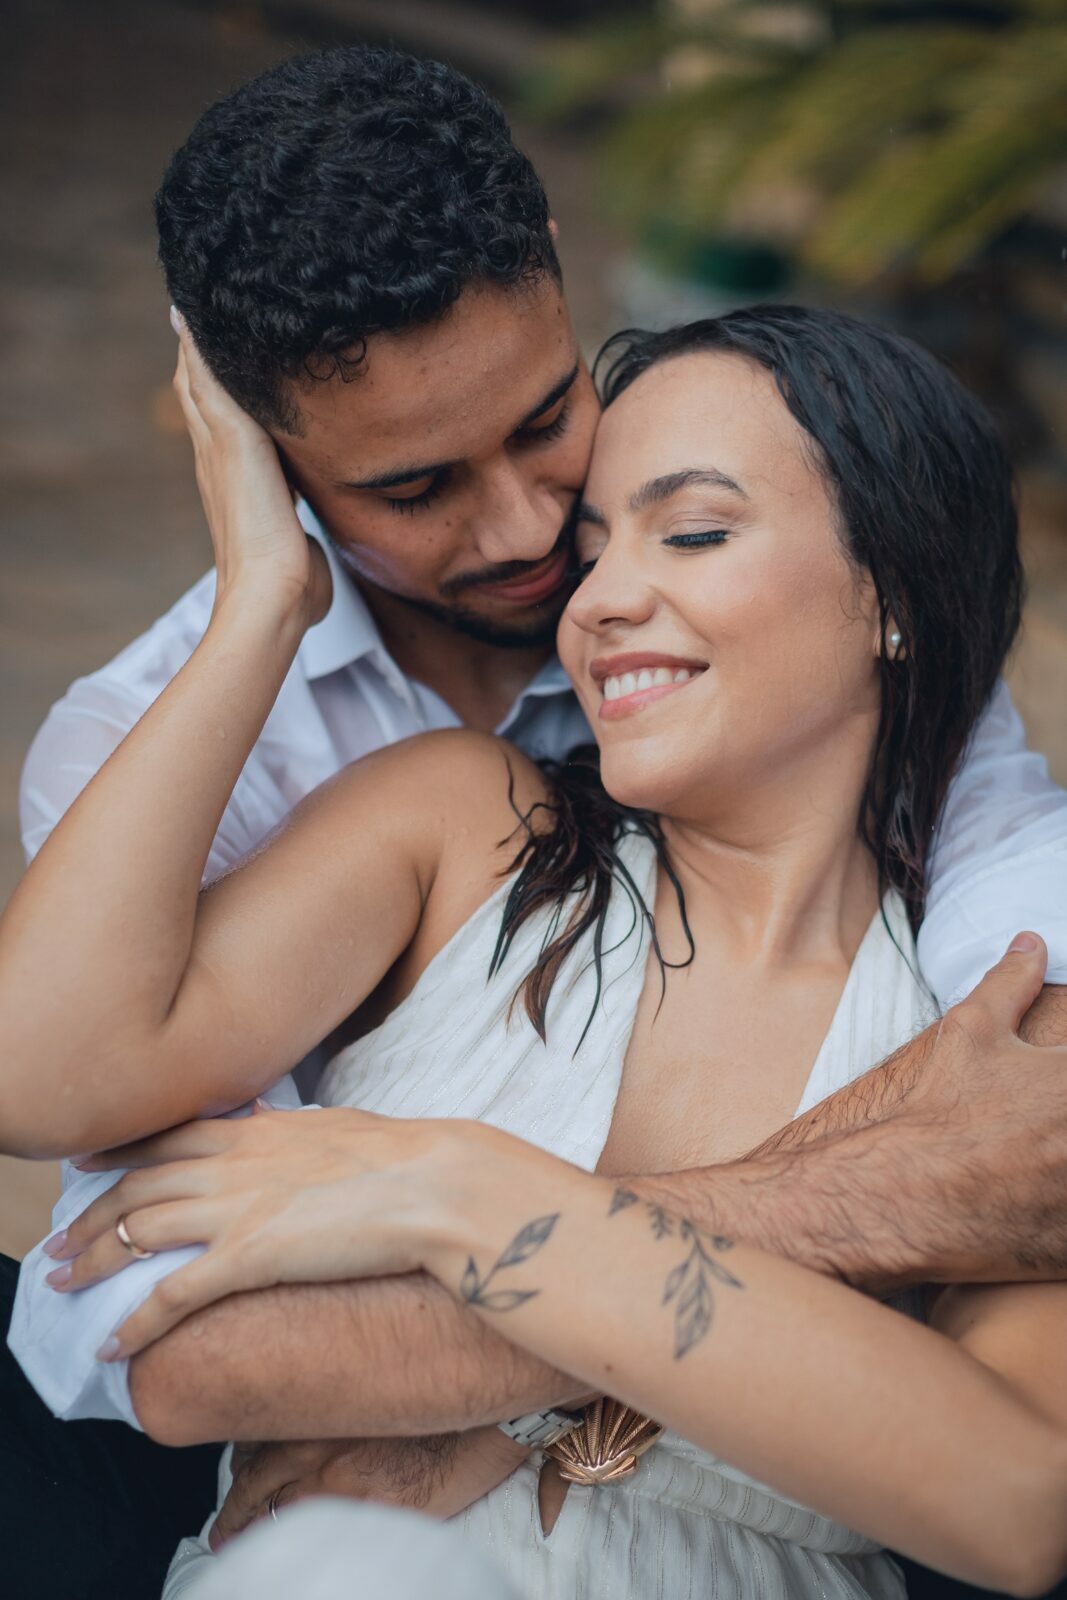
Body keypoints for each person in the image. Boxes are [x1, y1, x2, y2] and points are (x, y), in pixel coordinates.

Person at [3, 41, 1067, 1600]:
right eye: (414, 489)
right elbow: (132, 1268)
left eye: (677, 524)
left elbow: (1020, 1489)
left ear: (894, 596)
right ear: (274, 459)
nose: (559, 558)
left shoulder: (964, 940)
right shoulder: (439, 816)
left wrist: (453, 1195)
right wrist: (263, 603)